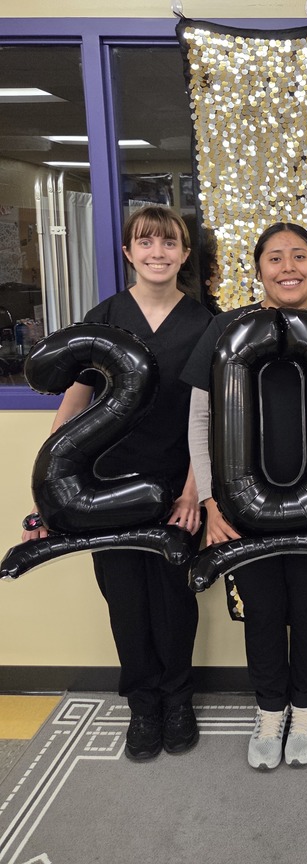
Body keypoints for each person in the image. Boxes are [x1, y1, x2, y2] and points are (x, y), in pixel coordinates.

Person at [22, 206, 212, 762]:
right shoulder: (104, 318)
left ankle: (178, 700)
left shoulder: (206, 323)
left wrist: (192, 491)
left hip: (174, 487)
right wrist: (49, 493)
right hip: (103, 488)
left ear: (184, 253)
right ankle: (143, 705)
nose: (158, 252)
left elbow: (209, 420)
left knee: (174, 598)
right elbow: (73, 403)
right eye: (145, 242)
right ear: (128, 252)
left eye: (169, 242)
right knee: (125, 600)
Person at [182, 222, 307, 770]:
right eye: (275, 257)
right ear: (259, 267)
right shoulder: (226, 328)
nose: (288, 267)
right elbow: (200, 419)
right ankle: (269, 709)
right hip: (243, 506)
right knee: (262, 607)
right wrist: (211, 500)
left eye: (300, 255)